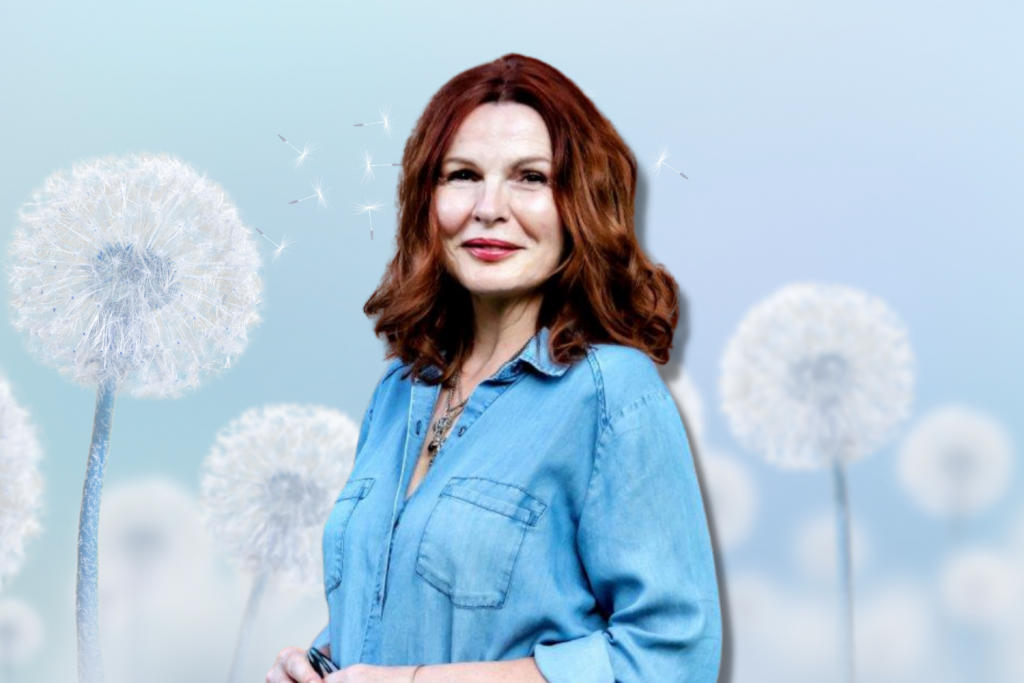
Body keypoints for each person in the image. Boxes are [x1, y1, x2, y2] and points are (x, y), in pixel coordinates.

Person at [267, 53, 721, 683]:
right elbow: (407, 603)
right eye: (462, 175)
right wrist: (318, 664)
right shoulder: (400, 390)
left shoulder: (612, 393)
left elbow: (672, 654)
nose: (489, 207)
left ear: (580, 205)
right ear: (429, 199)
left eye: (531, 177)